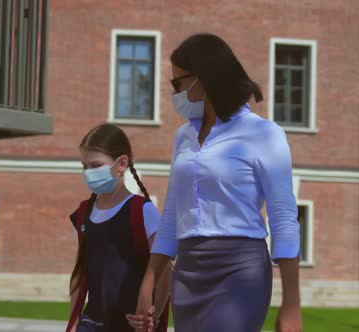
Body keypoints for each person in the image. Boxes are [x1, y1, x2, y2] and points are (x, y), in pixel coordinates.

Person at [128, 33, 302, 332]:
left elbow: (284, 218)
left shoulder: (264, 133)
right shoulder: (183, 136)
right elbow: (172, 212)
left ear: (203, 78)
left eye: (178, 83)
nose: (175, 92)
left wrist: (292, 305)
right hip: (189, 270)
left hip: (240, 270)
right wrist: (150, 278)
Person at [66, 124, 171, 332]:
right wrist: (73, 322)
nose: (88, 173)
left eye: (95, 165)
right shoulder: (84, 213)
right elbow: (80, 273)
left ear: (121, 163)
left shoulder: (143, 211)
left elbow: (165, 270)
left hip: (131, 325)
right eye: (84, 166)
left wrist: (153, 315)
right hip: (92, 323)